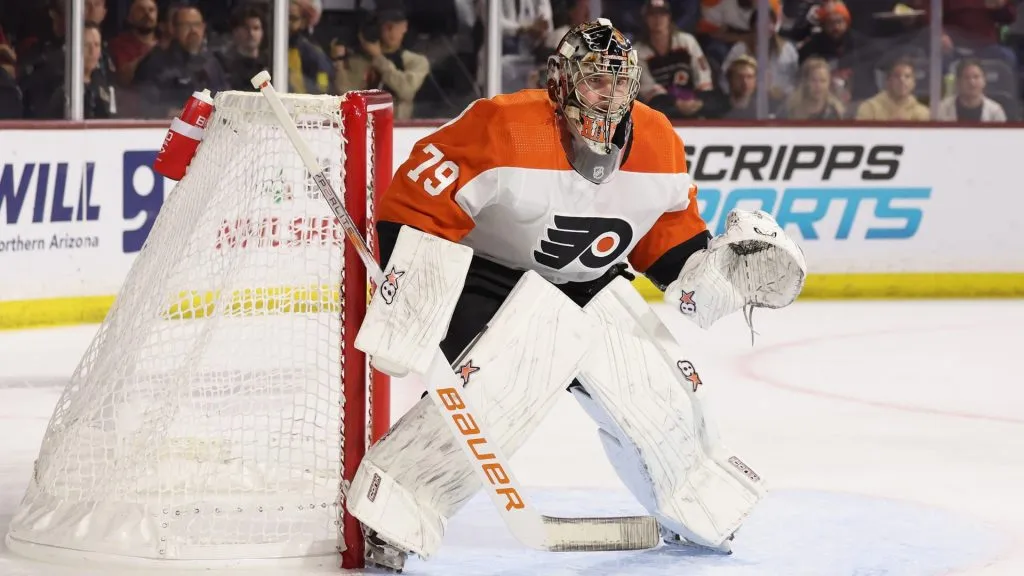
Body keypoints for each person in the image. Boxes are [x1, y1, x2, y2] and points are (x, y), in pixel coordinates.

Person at [346, 19, 806, 571]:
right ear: (561, 81)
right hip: (490, 277)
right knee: (500, 385)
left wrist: (713, 274)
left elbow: (667, 239)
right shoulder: (503, 126)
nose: (609, 95)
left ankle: (697, 505)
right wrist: (416, 292)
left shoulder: (658, 142)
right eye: (595, 80)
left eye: (620, 81)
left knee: (655, 390)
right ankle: (393, 510)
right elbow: (415, 205)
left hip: (590, 282)